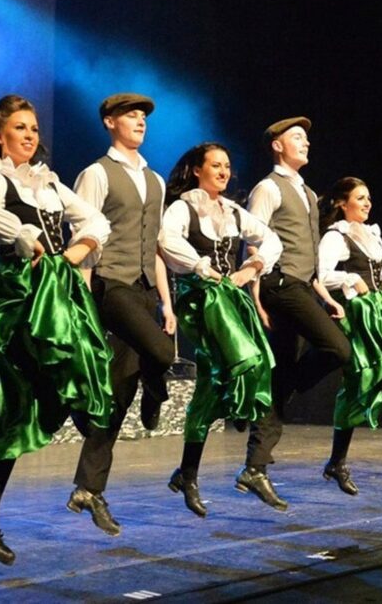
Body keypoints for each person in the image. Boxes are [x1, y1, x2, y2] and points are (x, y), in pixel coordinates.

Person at [0, 95, 113, 563]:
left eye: (34, 129)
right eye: (20, 128)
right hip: (19, 294)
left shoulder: (51, 183)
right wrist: (25, 236)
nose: (30, 136)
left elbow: (96, 220)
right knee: (23, 403)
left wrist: (79, 249)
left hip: (58, 290)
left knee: (84, 381)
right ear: (0, 135)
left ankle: (79, 487)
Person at [69, 93, 176, 535]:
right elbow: (85, 238)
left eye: (144, 117)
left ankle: (88, 489)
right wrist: (82, 302)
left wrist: (167, 302)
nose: (140, 121)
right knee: (163, 354)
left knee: (116, 397)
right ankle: (158, 394)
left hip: (144, 291)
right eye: (131, 115)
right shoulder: (96, 174)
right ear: (110, 122)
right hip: (109, 288)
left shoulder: (155, 179)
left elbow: (155, 247)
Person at [159, 142, 280, 516]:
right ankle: (232, 448)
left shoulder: (232, 211)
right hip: (200, 301)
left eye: (227, 166)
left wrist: (253, 266)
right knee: (243, 362)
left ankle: (190, 473)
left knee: (226, 377)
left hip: (228, 299)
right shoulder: (183, 207)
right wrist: (200, 267)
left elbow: (272, 240)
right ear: (197, 169)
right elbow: (166, 242)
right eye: (216, 165)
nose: (224, 172)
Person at [242, 117, 351, 511]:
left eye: (307, 137)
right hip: (279, 284)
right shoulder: (267, 188)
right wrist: (255, 299)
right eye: (297, 138)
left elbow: (309, 255)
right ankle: (284, 386)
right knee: (338, 349)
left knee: (278, 378)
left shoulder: (307, 191)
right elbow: (253, 243)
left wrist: (324, 295)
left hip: (301, 286)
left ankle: (255, 467)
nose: (306, 143)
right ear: (277, 145)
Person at [317, 177, 382, 495]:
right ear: (341, 203)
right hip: (358, 314)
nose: (366, 203)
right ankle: (337, 461)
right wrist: (350, 278)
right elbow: (321, 274)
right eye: (360, 197)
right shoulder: (337, 235)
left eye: (368, 198)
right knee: (359, 378)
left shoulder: (373, 233)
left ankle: (379, 409)